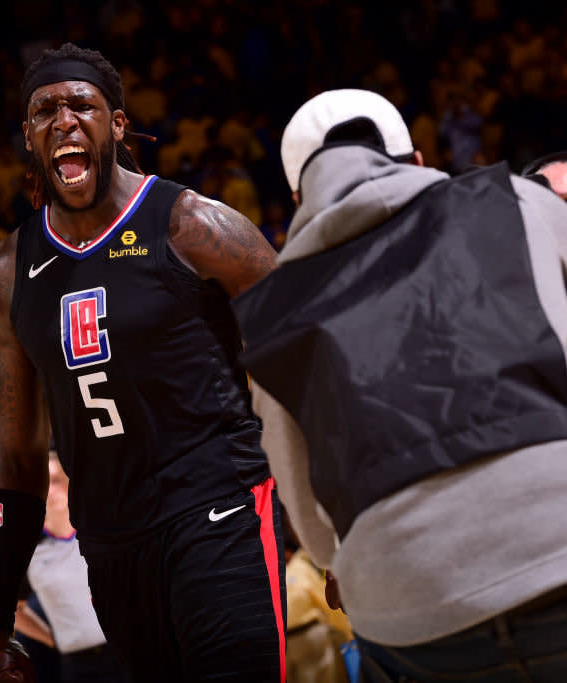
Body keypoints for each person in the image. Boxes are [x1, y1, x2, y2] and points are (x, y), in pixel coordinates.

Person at [231, 89, 567, 681]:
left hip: (412, 619)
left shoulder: (271, 312)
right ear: (415, 161)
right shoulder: (514, 199)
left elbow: (310, 521)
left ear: (298, 198)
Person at [0, 42, 285, 683]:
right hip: (111, 541)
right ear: (29, 137)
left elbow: (302, 360)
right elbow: (19, 457)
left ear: (116, 125)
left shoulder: (191, 225)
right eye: (44, 111)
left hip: (216, 508)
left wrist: (335, 523)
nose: (63, 120)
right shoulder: (9, 273)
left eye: (81, 105)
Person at [14, 453, 127, 683]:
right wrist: (52, 639)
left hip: (133, 650)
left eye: (55, 480)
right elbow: (11, 610)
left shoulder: (105, 528)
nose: (50, 490)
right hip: (80, 666)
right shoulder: (26, 552)